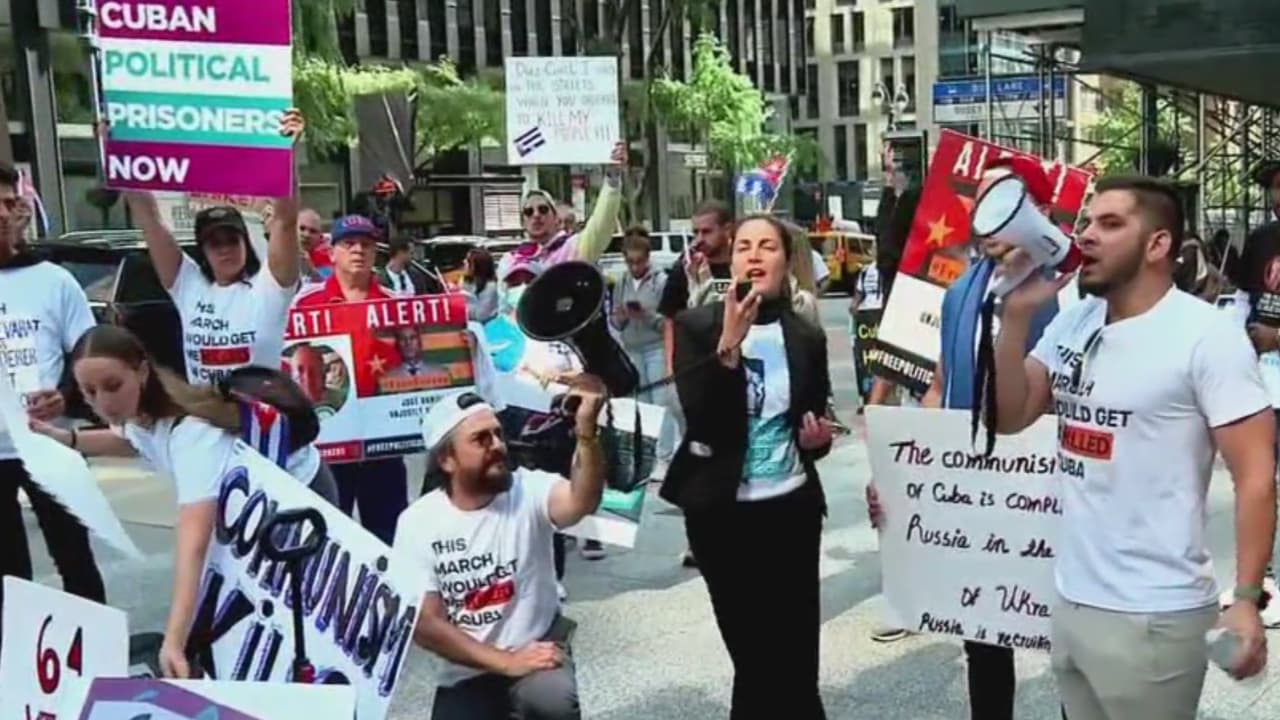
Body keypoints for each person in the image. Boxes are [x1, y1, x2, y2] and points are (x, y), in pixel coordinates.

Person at [992, 175, 1274, 719]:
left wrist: (1245, 598)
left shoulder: (1206, 335)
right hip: (1072, 598)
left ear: (1157, 244)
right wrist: (1016, 317)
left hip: (1155, 615)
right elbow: (1010, 415)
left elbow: (1256, 475)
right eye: (1086, 222)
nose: (1086, 235)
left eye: (1110, 223)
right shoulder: (1075, 321)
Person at [867, 157, 1065, 720]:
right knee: (982, 636)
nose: (987, 216)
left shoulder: (1069, 290)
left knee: (1070, 639)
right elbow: (940, 385)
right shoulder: (960, 291)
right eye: (980, 203)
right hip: (976, 496)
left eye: (1004, 200)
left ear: (1038, 210)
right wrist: (904, 474)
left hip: (1046, 492)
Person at [32, 324, 338, 679]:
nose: (103, 402)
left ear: (142, 371)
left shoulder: (191, 435)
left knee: (292, 621)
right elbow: (131, 440)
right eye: (89, 391)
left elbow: (194, 546)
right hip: (256, 506)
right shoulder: (142, 412)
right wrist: (67, 438)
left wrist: (174, 640)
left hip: (301, 494)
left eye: (113, 386)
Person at [664, 214, 833, 720]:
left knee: (798, 657)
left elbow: (814, 420)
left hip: (792, 508)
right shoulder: (697, 327)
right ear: (732, 259)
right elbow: (702, 418)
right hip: (723, 516)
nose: (754, 256)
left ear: (787, 261)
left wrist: (817, 440)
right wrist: (729, 347)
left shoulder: (806, 334)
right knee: (756, 658)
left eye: (767, 247)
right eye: (743, 247)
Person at [395, 380, 608, 720]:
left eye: (498, 434)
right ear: (447, 460)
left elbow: (581, 501)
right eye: (481, 439)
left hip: (536, 648)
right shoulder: (418, 522)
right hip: (467, 668)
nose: (497, 445)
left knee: (551, 700)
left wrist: (586, 435)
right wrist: (505, 662)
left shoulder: (529, 489)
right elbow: (426, 624)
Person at [0, 164, 106, 629]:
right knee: (9, 575)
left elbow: (90, 355)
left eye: (10, 203)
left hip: (50, 440)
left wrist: (65, 396)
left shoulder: (53, 280)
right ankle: (15, 664)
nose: (4, 214)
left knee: (75, 559)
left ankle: (95, 654)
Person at [293, 214, 412, 544]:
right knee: (327, 537)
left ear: (376, 252)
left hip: (384, 444)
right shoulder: (305, 304)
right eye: (349, 244)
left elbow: (416, 363)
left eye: (366, 244)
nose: (358, 250)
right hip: (327, 442)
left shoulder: (396, 305)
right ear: (332, 252)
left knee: (388, 536)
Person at [658, 201, 735, 570]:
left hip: (736, 378)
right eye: (696, 232)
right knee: (698, 457)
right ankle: (698, 540)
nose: (699, 239)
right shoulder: (685, 267)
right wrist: (673, 368)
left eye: (707, 231)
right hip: (695, 379)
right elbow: (670, 320)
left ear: (728, 229)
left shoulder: (743, 264)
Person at [496, 144, 626, 288]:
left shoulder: (573, 248)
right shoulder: (509, 261)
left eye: (543, 209)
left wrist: (613, 177)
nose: (536, 215)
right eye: (529, 212)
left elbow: (601, 225)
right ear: (523, 223)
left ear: (556, 219)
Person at [609, 227, 668, 405]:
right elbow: (615, 323)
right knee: (640, 402)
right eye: (630, 262)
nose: (635, 267)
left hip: (656, 348)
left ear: (648, 258)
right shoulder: (621, 282)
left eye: (639, 262)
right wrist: (620, 317)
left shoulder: (661, 281)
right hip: (632, 349)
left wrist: (645, 315)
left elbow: (668, 324)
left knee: (660, 400)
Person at [462, 248, 499, 324]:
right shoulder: (466, 281)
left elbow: (481, 315)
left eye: (468, 261)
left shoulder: (490, 287)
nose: (464, 262)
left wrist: (461, 308)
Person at [298, 207, 333, 281]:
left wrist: (311, 270)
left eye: (313, 231)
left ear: (320, 236)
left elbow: (328, 284)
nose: (306, 235)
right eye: (302, 228)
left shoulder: (327, 256)